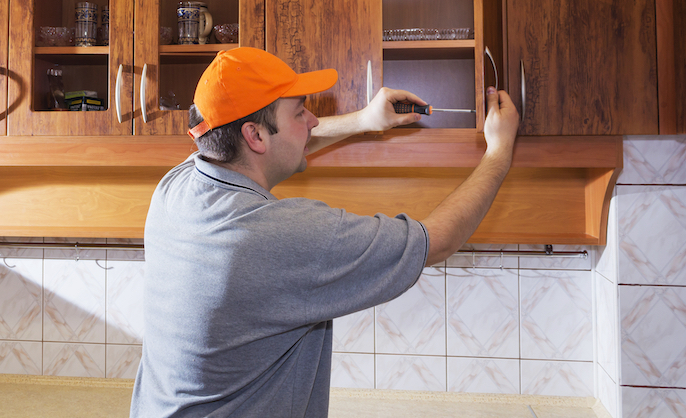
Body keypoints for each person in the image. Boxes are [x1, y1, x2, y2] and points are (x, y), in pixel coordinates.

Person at [130, 47, 519, 418]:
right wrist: (499, 151)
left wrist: (363, 120)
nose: (313, 121)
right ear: (255, 136)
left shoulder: (178, 186)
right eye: (300, 112)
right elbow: (437, 239)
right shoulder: (280, 236)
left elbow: (275, 142)